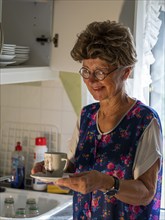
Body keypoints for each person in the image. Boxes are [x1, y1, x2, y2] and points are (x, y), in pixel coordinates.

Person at [32, 20, 163, 219]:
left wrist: (104, 182)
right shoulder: (86, 116)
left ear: (125, 72)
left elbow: (146, 192)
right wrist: (51, 172)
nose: (91, 80)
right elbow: (74, 169)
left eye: (100, 72)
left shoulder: (144, 121)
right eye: (86, 70)